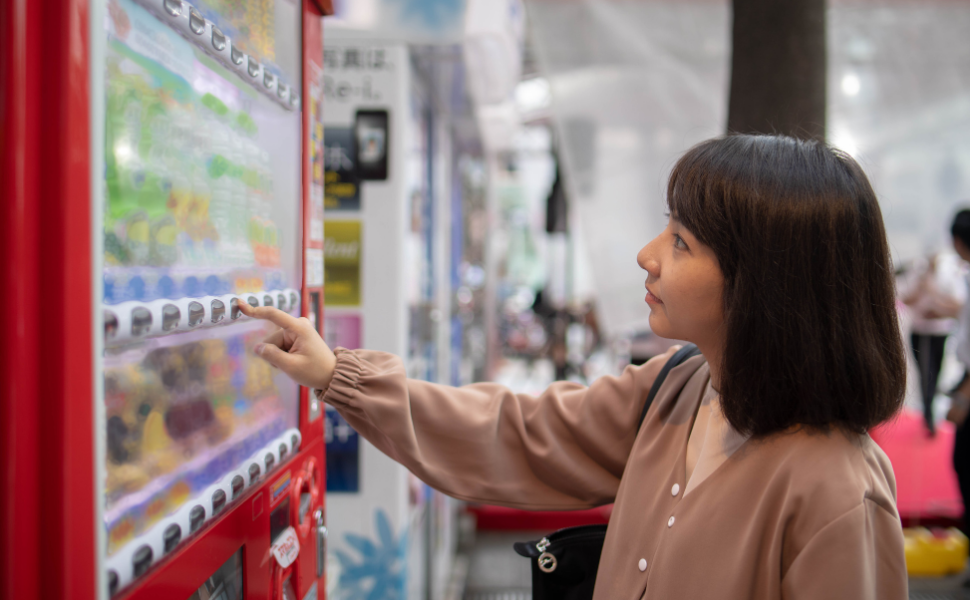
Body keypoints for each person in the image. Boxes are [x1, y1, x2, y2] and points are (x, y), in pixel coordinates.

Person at [239, 134, 908, 599]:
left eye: (680, 241)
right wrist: (338, 376)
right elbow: (523, 432)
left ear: (765, 282)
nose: (648, 255)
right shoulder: (681, 386)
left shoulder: (838, 491)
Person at [899, 251, 965, 436]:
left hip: (940, 332)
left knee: (935, 373)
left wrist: (938, 306)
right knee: (927, 374)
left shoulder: (949, 276)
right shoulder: (917, 276)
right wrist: (921, 289)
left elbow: (957, 304)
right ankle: (929, 413)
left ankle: (931, 409)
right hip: (922, 332)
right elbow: (904, 299)